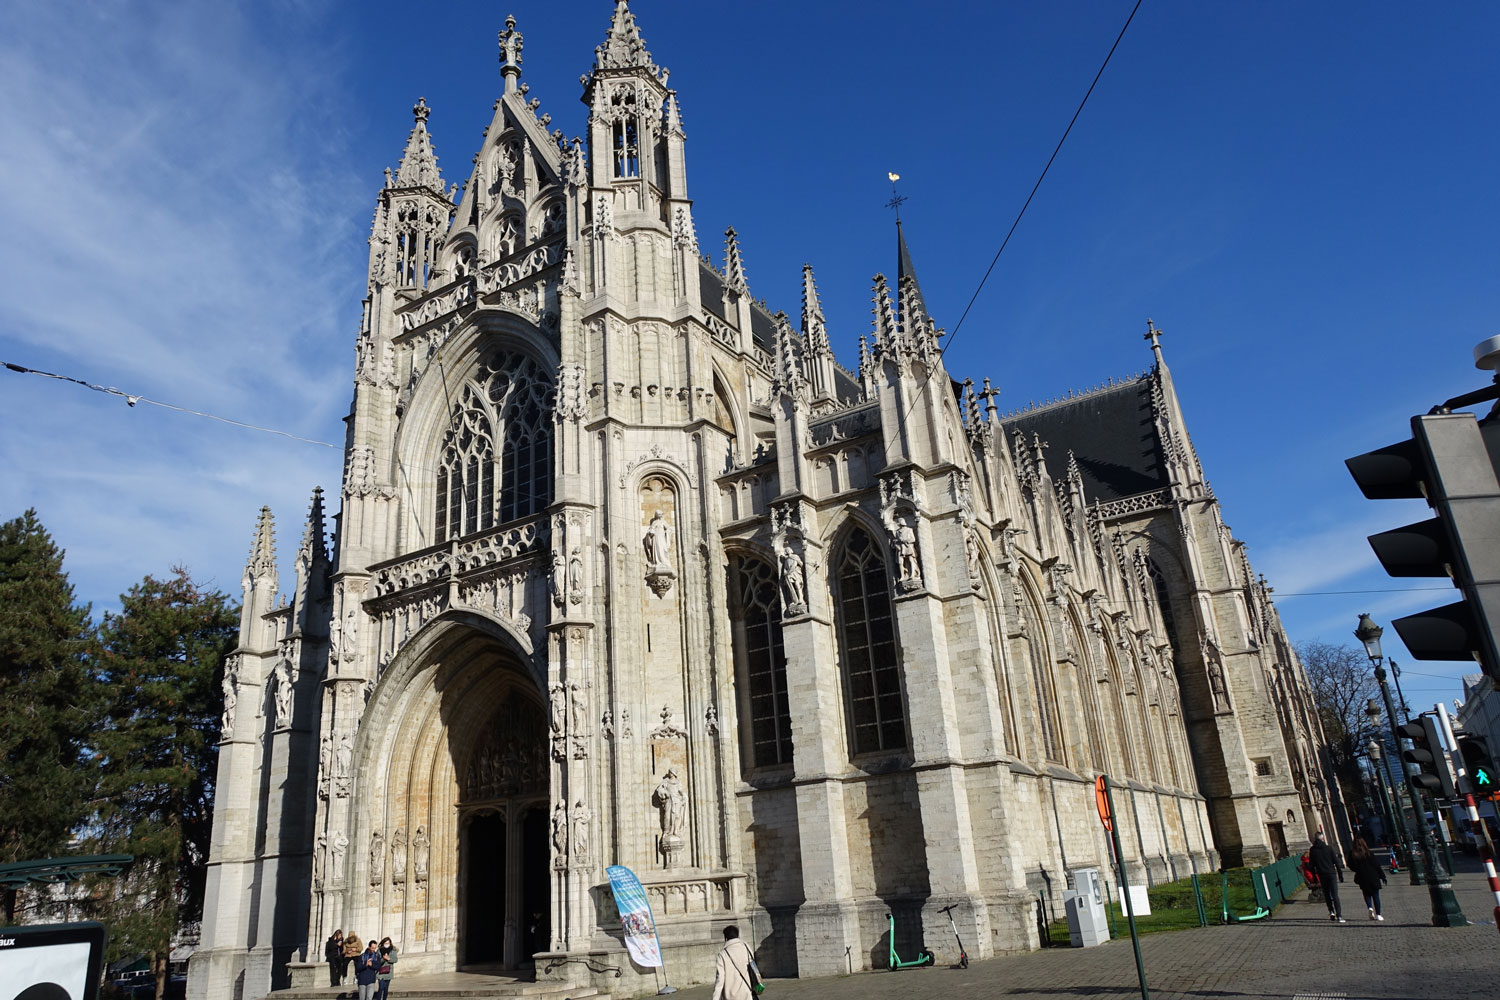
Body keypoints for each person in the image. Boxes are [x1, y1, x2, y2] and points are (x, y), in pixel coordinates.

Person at [710, 924, 760, 1000]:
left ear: (726, 939)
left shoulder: (722, 955)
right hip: (747, 993)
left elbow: (720, 979)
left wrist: (715, 998)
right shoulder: (746, 947)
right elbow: (753, 967)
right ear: (737, 936)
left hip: (730, 996)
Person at [1308, 831, 1345, 922]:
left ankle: (1331, 911)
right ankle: (1339, 916)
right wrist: (1340, 874)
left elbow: (1311, 865)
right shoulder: (1329, 848)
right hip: (1331, 873)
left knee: (1327, 894)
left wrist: (1314, 877)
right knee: (1335, 894)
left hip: (1321, 874)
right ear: (1323, 839)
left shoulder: (1312, 850)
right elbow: (1336, 862)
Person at [1349, 836, 1388, 921]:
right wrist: (1383, 876)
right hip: (1373, 876)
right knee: (1376, 896)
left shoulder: (1353, 855)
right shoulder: (1369, 853)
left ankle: (1370, 907)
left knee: (1366, 894)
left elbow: (1351, 866)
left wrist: (1358, 870)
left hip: (1362, 877)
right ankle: (1378, 914)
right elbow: (1377, 865)